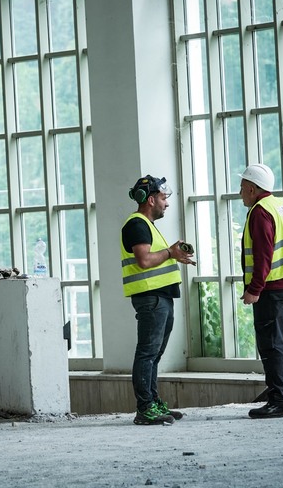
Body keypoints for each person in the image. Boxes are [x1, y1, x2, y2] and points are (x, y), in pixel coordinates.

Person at [239, 163, 283, 418]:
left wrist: (254, 289)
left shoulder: (261, 212)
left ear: (252, 188)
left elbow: (263, 256)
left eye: (242, 188)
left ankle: (279, 400)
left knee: (272, 345)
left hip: (273, 291)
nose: (240, 193)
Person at [121, 175, 196, 425]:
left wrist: (175, 255)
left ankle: (152, 402)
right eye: (164, 198)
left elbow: (157, 258)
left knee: (154, 354)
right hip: (150, 298)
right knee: (147, 353)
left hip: (160, 297)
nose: (167, 203)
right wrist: (170, 253)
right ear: (150, 200)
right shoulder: (137, 224)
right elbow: (144, 261)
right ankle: (144, 408)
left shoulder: (148, 226)